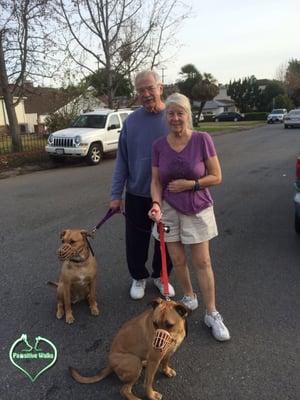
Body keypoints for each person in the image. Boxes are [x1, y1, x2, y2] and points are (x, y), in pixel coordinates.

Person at [148, 92, 230, 341]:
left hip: (197, 207)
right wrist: (155, 203)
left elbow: (216, 176)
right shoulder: (158, 146)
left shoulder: (202, 139)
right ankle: (188, 296)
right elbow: (155, 181)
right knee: (178, 259)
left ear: (188, 115)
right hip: (169, 209)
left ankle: (212, 312)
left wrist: (191, 184)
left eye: (179, 113)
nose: (175, 118)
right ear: (167, 117)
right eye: (170, 113)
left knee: (202, 261)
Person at [110, 70, 175, 300]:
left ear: (160, 87)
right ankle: (138, 276)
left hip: (168, 194)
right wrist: (116, 195)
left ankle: (160, 276)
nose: (146, 94)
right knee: (136, 240)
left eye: (150, 88)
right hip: (137, 192)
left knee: (166, 240)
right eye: (140, 90)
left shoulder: (173, 116)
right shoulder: (131, 123)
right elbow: (122, 161)